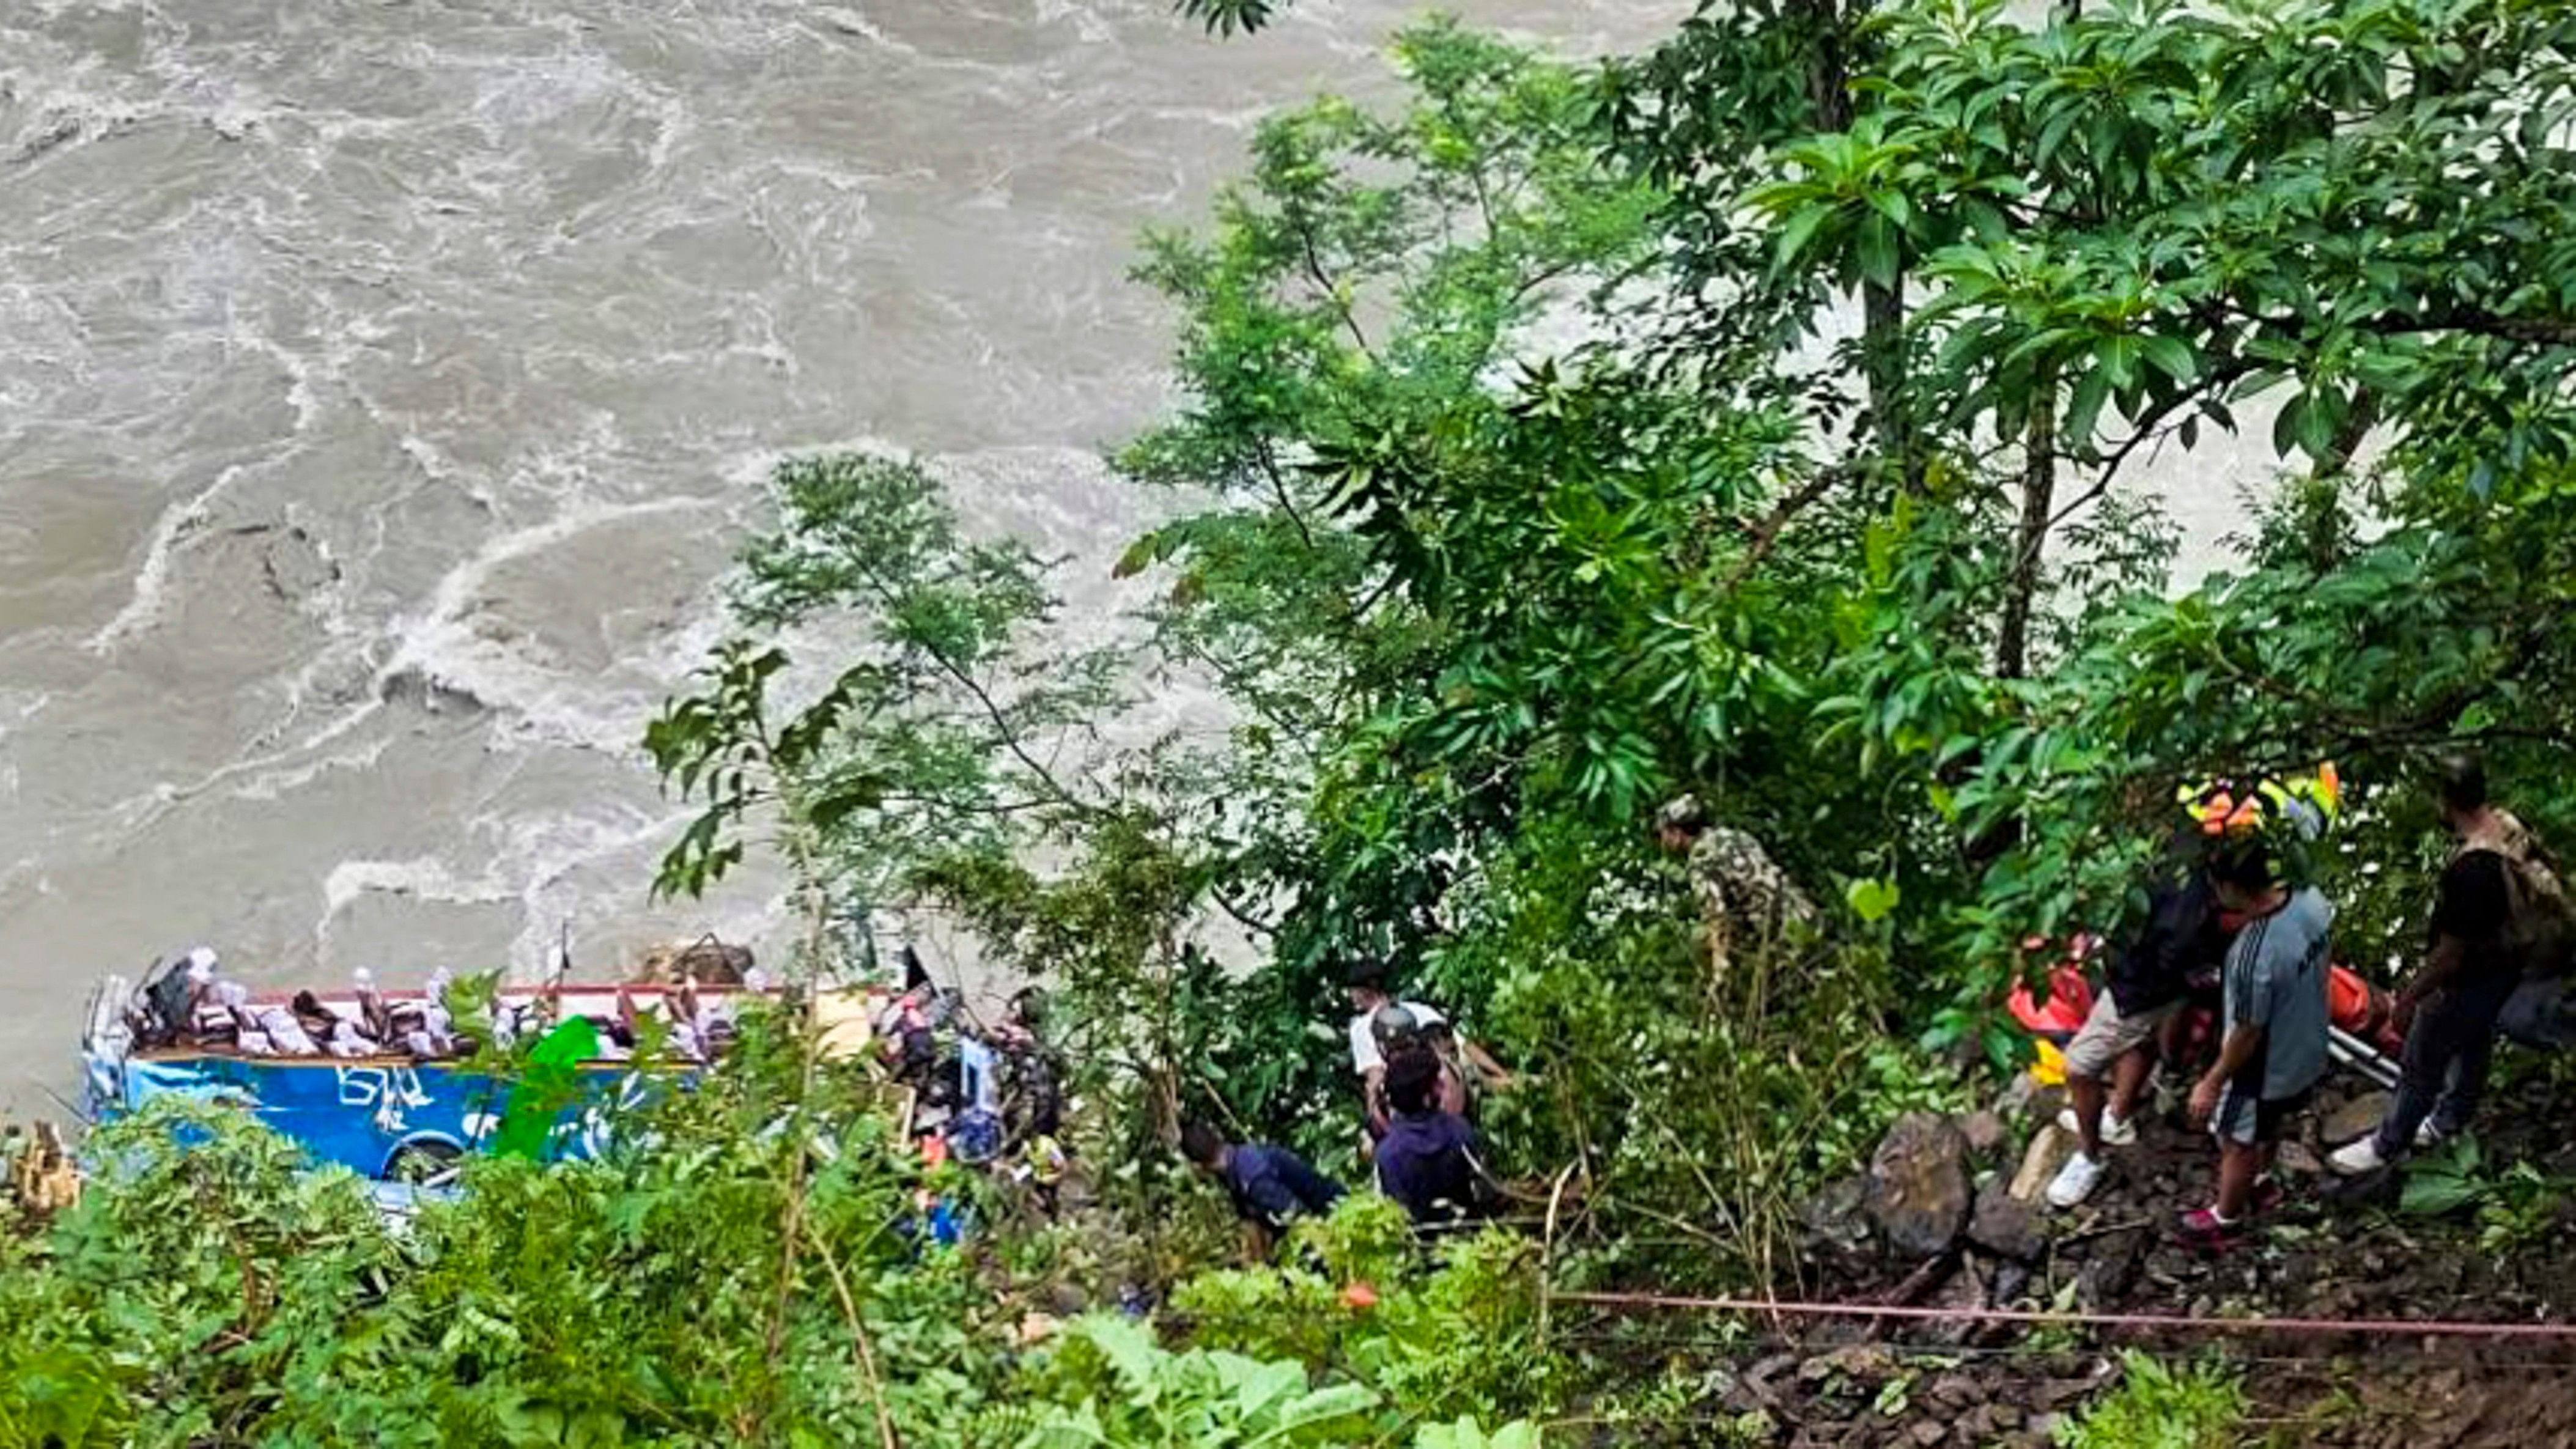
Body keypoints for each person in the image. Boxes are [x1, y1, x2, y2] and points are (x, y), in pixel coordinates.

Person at [2331, 756, 2555, 1174]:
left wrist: (2410, 997)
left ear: (2446, 800)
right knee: (2473, 1044)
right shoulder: (2506, 825)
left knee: (2421, 1060)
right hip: (2506, 962)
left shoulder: (2471, 869)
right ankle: (2449, 1119)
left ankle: (2387, 1144)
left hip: (2467, 976)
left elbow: (2450, 953)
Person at [2047, 843, 2235, 1208]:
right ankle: (2117, 1115)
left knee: (2079, 1067)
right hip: (2158, 981)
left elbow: (2172, 954)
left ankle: (2089, 1157)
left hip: (2141, 987)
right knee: (2141, 1039)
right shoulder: (2180, 856)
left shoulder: (2188, 899)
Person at [2183, 839, 2333, 1244]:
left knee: (2237, 1140)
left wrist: (2211, 1081)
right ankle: (2262, 1182)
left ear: (2229, 887)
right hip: (2308, 1046)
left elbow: (2247, 1031)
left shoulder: (2253, 955)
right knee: (2268, 1126)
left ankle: (2224, 1218)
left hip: (2265, 1068)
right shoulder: (2310, 901)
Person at [1654, 794, 1818, 986]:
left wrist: (1720, 974)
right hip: (1804, 914)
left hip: (1781, 935)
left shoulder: (1701, 859)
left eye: (1663, 833)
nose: (1662, 841)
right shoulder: (1736, 837)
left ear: (1677, 833)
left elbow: (1717, 918)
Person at [1343, 961, 1509, 1138]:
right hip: (1450, 1097)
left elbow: (1375, 1077)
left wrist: (1375, 1129)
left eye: (1352, 990)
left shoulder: (1361, 1029)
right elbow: (1465, 1047)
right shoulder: (1419, 1010)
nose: (1351, 996)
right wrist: (1502, 1075)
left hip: (1408, 1111)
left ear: (1366, 990)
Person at [1180, 1121, 1347, 1260]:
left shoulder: (1254, 1179)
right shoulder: (1234, 1168)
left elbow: (1299, 1219)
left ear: (1197, 1167)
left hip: (1335, 1218)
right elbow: (1250, 1222)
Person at [1372, 1052, 1493, 1230]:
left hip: (1418, 1247)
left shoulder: (1387, 1153)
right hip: (1466, 1236)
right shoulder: (1460, 1131)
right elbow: (1484, 1192)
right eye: (1438, 1084)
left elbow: (1390, 1215)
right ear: (1427, 1096)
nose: (1443, 1086)